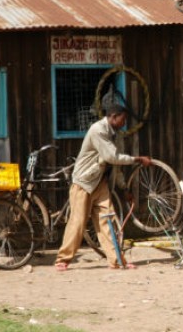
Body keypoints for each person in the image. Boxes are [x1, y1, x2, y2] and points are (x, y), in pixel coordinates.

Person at [55, 104, 151, 271]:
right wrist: (137, 159)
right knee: (78, 222)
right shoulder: (97, 130)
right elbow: (111, 157)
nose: (124, 123)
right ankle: (63, 259)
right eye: (123, 119)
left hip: (101, 184)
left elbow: (116, 165)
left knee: (109, 221)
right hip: (83, 183)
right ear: (113, 116)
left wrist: (123, 188)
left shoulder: (116, 135)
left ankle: (116, 260)